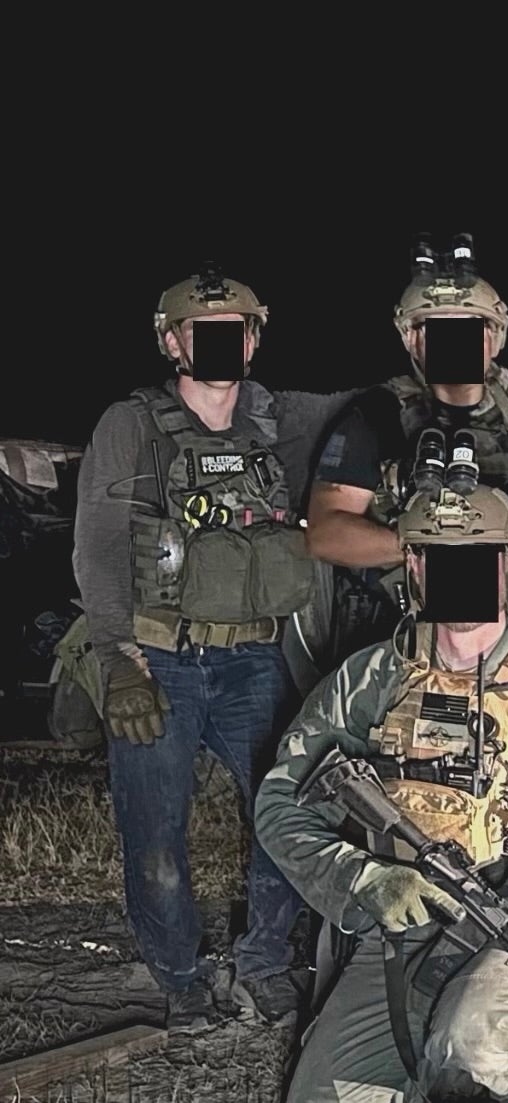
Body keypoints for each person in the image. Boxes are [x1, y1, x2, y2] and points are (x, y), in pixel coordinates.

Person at [255, 480, 508, 1103]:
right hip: (399, 931)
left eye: (478, 558)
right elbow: (280, 805)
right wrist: (364, 880)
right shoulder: (370, 679)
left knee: (473, 1047)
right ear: (414, 565)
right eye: (440, 557)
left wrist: (504, 918)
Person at [71, 266, 314, 1032]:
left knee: (289, 809)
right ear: (172, 342)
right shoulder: (131, 425)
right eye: (201, 332)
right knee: (154, 833)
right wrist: (118, 658)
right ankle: (180, 976)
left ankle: (264, 960)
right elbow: (99, 546)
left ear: (254, 338)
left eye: (233, 330)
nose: (219, 344)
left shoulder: (278, 423)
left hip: (255, 659)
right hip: (159, 656)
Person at [305, 233, 508, 668]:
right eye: (437, 330)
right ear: (413, 341)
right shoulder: (377, 418)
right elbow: (325, 534)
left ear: (493, 339)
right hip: (402, 637)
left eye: (468, 329)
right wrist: (431, 548)